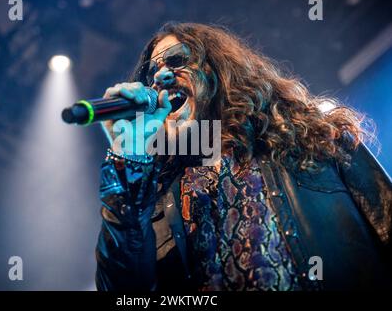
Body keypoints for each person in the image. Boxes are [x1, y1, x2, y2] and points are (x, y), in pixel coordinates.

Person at [95, 22, 392, 291]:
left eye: (176, 60)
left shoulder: (312, 133)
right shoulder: (155, 201)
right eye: (151, 73)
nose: (160, 75)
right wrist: (127, 161)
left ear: (217, 69)